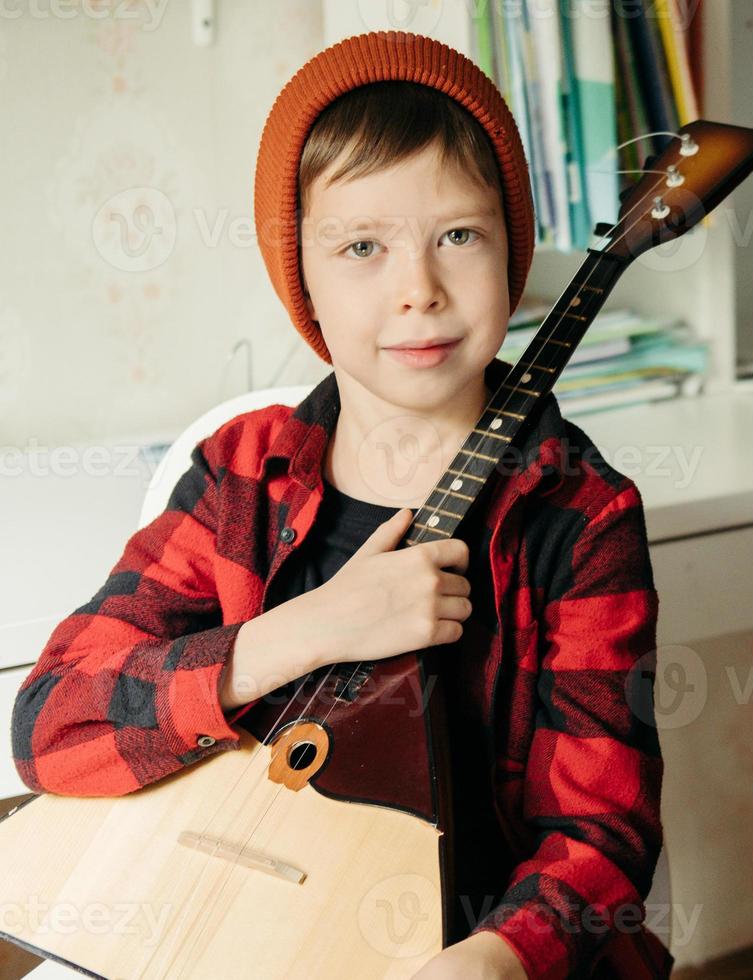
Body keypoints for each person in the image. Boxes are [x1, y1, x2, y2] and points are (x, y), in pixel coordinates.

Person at [10, 31, 671, 980]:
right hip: (250, 926)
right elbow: (49, 726)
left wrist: (497, 958)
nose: (419, 291)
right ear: (303, 279)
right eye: (363, 246)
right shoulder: (242, 470)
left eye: (459, 236)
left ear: (513, 249)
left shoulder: (583, 514)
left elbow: (602, 835)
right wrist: (303, 631)